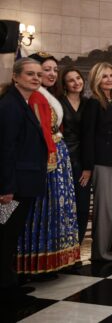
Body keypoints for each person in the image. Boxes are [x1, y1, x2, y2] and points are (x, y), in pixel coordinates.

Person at [17, 52, 80, 276]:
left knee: (56, 208)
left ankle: (53, 259)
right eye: (47, 69)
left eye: (55, 70)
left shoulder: (47, 95)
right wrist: (51, 158)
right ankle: (38, 262)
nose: (52, 73)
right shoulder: (35, 96)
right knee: (44, 208)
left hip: (57, 155)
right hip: (47, 158)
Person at [0, 59, 47, 305]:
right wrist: (6, 188)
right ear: (16, 77)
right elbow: (5, 149)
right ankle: (4, 286)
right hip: (13, 186)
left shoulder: (23, 103)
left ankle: (7, 281)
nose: (36, 78)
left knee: (10, 233)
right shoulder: (10, 105)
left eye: (39, 74)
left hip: (23, 182)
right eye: (30, 74)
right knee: (5, 233)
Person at [82, 62, 112, 261]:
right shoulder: (93, 102)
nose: (109, 79)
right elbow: (87, 136)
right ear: (96, 79)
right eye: (105, 76)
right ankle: (100, 252)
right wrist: (87, 166)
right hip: (101, 161)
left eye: (111, 76)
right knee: (103, 208)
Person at [57, 66, 90, 244]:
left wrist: (88, 166)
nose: (76, 82)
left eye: (78, 78)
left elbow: (91, 135)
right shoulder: (58, 102)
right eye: (71, 80)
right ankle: (62, 246)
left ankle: (77, 244)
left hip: (83, 158)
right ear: (64, 84)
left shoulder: (88, 103)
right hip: (62, 157)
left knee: (82, 205)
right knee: (63, 206)